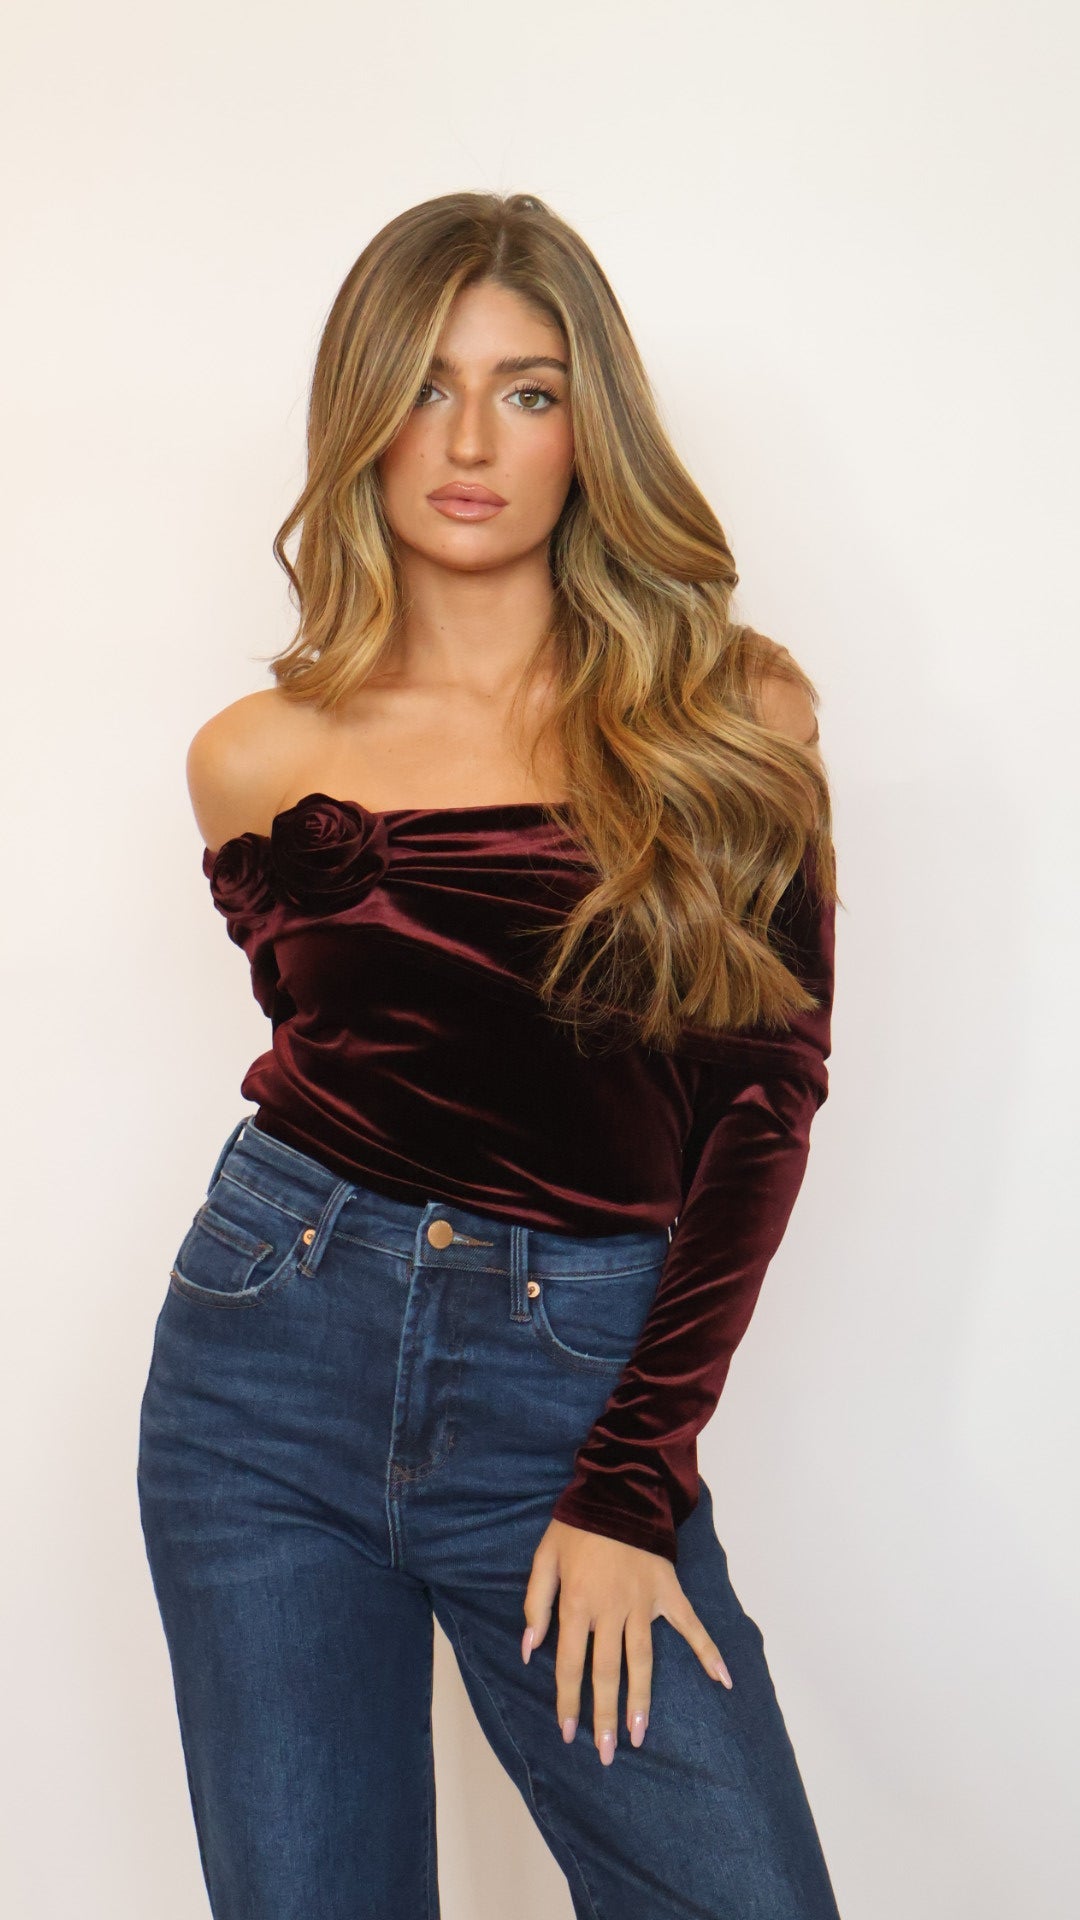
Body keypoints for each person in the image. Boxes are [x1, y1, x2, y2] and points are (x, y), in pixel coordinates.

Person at [136, 190, 843, 1920]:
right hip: (266, 1368)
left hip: (573, 1378)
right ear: (362, 416)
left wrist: (626, 1485)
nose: (469, 443)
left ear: (590, 431)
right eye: (427, 387)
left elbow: (762, 1103)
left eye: (527, 392)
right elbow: (342, 1048)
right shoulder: (252, 756)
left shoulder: (733, 714)